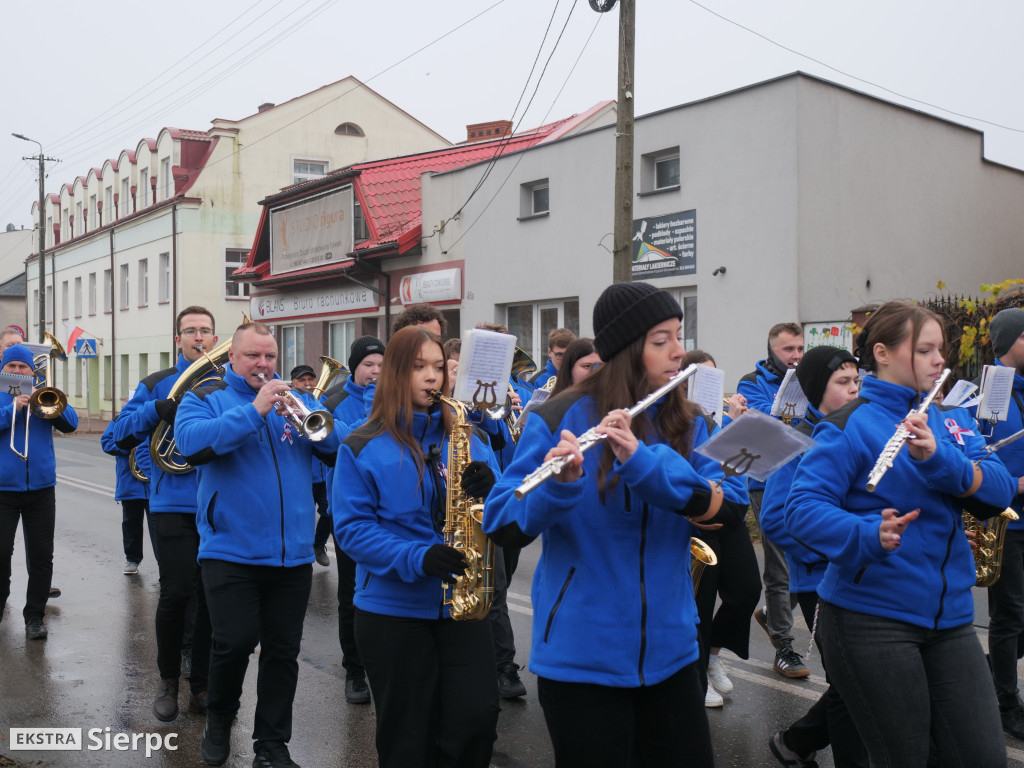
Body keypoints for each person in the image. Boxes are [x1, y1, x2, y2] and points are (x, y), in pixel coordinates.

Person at [485, 282, 748, 767]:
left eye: (678, 335)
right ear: (627, 350)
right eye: (661, 340)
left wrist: (644, 464)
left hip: (672, 651)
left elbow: (730, 508)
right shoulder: (558, 415)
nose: (679, 351)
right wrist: (557, 486)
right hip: (581, 657)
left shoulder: (688, 421)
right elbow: (502, 525)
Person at [785, 300, 1014, 768]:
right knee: (903, 757)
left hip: (950, 620)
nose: (939, 360)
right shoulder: (848, 425)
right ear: (884, 353)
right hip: (871, 619)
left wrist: (940, 460)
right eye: (925, 349)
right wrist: (870, 533)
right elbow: (802, 510)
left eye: (941, 350)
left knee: (982, 756)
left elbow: (998, 490)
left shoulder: (952, 417)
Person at [332, 325, 501, 768]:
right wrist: (416, 556)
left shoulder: (470, 436)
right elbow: (351, 530)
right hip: (392, 612)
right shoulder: (361, 445)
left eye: (439, 367)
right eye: (418, 367)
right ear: (394, 374)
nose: (432, 377)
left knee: (477, 718)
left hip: (462, 607)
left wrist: (494, 486)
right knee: (409, 737)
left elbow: (508, 512)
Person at [175, 321, 340, 768]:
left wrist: (310, 419)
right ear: (233, 358)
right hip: (230, 551)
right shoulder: (204, 397)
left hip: (292, 555)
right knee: (234, 643)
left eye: (270, 357)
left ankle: (271, 744)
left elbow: (340, 446)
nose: (263, 364)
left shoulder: (299, 402)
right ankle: (219, 719)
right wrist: (255, 411)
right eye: (253, 356)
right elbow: (191, 444)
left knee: (284, 653)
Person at [759, 345, 867, 767]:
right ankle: (803, 745)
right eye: (843, 383)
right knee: (849, 682)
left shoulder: (857, 431)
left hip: (859, 576)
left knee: (854, 681)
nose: (854, 390)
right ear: (817, 388)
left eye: (856, 381)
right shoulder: (796, 441)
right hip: (819, 580)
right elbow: (774, 519)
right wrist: (834, 548)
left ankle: (795, 743)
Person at [112, 305, 215, 721]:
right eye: (190, 331)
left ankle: (203, 685)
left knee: (209, 597)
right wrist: (156, 410)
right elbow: (114, 436)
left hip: (216, 505)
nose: (199, 338)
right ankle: (169, 680)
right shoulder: (156, 383)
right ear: (178, 339)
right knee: (177, 591)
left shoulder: (225, 385)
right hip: (171, 503)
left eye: (206, 331)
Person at [680, 350, 761, 710]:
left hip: (729, 512)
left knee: (746, 591)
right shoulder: (681, 418)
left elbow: (735, 466)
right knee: (700, 600)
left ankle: (711, 656)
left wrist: (735, 424)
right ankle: (698, 679)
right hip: (698, 518)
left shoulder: (718, 417)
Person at [737, 321, 808, 678]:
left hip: (803, 479)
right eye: (788, 350)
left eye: (799, 349)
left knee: (807, 559)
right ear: (772, 352)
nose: (795, 356)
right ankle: (784, 647)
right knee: (779, 567)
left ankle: (769, 614)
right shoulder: (750, 382)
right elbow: (765, 422)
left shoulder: (810, 377)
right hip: (765, 481)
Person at [323, 334, 385, 705]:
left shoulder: (398, 397)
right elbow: (334, 447)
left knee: (386, 591)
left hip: (388, 512)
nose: (375, 371)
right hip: (348, 513)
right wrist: (369, 405)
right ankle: (355, 670)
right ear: (354, 367)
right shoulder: (334, 402)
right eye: (368, 365)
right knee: (351, 595)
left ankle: (383, 663)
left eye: (381, 365)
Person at [0, 344, 78, 639]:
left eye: (23, 367)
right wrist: (12, 410)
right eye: (13, 367)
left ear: (32, 371)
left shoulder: (44, 392)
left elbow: (71, 423)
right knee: (0, 554)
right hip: (3, 490)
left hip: (41, 489)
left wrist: (45, 401)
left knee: (42, 556)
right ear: (4, 369)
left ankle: (34, 616)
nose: (18, 372)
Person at [976, 307, 1024, 739]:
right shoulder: (991, 393)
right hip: (1007, 524)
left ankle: (991, 667)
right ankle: (1006, 703)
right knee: (1009, 617)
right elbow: (974, 463)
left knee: (1018, 619)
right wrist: (1018, 483)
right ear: (1011, 342)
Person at [101, 414, 156, 574]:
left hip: (153, 485)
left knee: (158, 527)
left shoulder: (155, 416)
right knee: (131, 524)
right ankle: (132, 559)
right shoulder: (120, 419)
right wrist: (128, 447)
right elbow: (106, 443)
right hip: (130, 484)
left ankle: (164, 563)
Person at [290, 364, 333, 567]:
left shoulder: (321, 402)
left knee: (329, 512)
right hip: (306, 474)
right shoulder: (290, 404)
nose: (308, 384)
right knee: (302, 516)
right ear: (293, 383)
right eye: (302, 380)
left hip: (324, 473)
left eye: (310, 379)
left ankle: (319, 545)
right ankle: (301, 553)